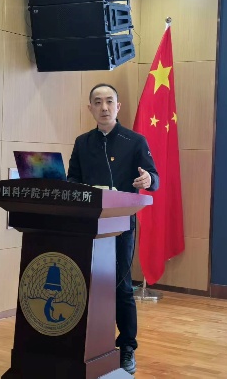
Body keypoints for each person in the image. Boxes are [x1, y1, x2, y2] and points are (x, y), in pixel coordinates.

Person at [67, 83, 159, 375]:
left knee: (121, 286)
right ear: (90, 108)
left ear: (118, 107)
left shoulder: (135, 141)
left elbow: (154, 178)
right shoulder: (82, 143)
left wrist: (148, 181)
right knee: (88, 284)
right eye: (98, 102)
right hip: (89, 225)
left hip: (121, 225)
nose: (104, 107)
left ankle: (127, 346)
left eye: (109, 102)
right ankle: (89, 343)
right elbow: (72, 181)